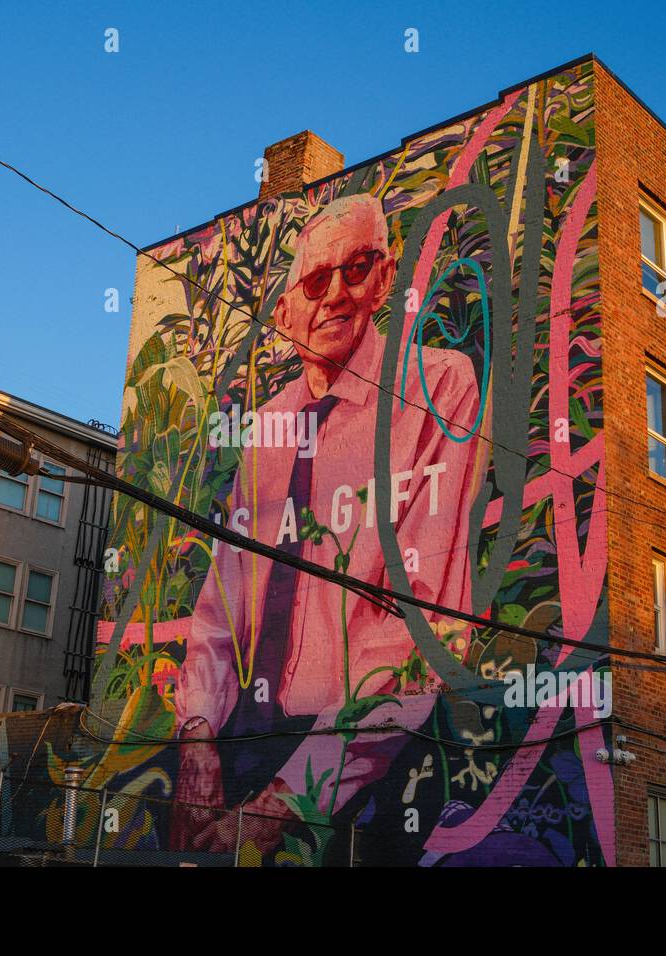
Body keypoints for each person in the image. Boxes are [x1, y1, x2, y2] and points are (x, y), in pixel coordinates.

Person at [170, 194, 481, 851]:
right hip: (248, 746)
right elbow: (219, 613)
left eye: (358, 268)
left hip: (377, 770)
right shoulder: (269, 429)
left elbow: (423, 625)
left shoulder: (438, 388)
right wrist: (197, 738)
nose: (337, 294)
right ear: (286, 314)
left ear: (387, 278)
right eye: (316, 281)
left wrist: (282, 803)